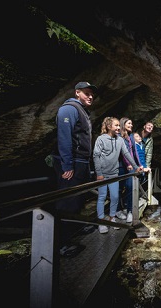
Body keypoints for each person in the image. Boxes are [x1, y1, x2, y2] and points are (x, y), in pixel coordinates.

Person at [51, 81, 97, 256]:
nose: (90, 96)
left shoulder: (83, 111)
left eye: (92, 94)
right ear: (77, 92)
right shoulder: (69, 109)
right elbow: (64, 138)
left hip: (82, 162)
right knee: (67, 201)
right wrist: (67, 164)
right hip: (73, 162)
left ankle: (75, 228)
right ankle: (61, 244)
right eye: (86, 93)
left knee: (78, 199)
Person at [93, 117, 142, 234]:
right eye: (116, 125)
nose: (119, 127)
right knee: (102, 197)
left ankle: (112, 218)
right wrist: (99, 173)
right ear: (109, 127)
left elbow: (126, 153)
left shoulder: (119, 140)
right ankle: (101, 222)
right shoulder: (101, 139)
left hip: (114, 174)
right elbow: (96, 156)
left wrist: (136, 167)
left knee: (115, 197)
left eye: (119, 126)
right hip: (103, 175)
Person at [116, 117, 143, 223]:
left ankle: (130, 211)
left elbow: (134, 152)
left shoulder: (131, 136)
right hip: (121, 166)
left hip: (131, 166)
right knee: (118, 189)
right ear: (123, 124)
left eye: (131, 124)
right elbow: (121, 153)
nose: (131, 125)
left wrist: (138, 165)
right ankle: (118, 210)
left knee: (130, 187)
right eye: (129, 123)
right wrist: (129, 164)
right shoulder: (118, 136)